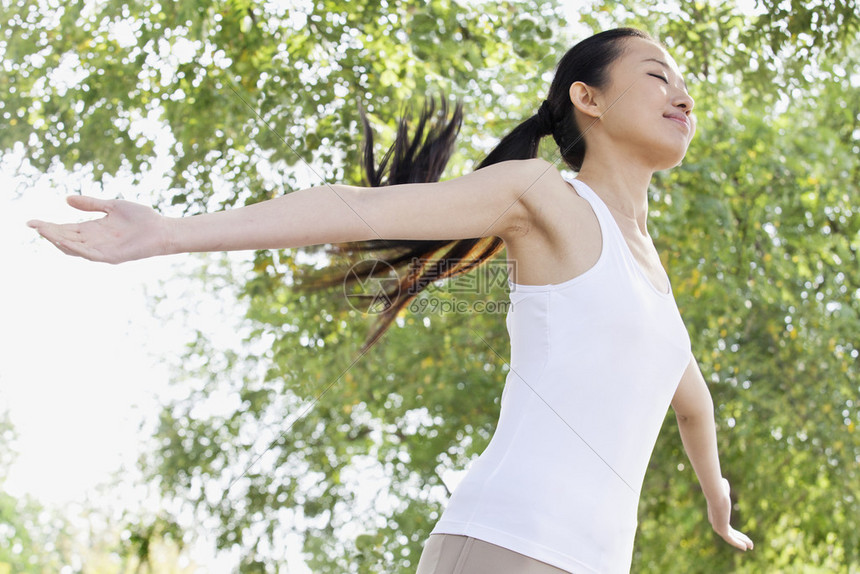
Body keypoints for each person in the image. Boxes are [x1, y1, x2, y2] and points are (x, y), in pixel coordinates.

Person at [28, 27, 753, 574]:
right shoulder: (544, 197)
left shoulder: (653, 279)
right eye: (658, 75)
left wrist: (716, 496)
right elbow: (362, 211)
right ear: (586, 99)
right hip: (507, 545)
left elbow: (690, 401)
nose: (682, 95)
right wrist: (171, 233)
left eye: (684, 83)